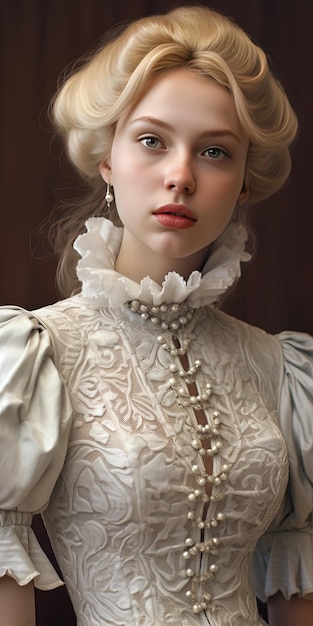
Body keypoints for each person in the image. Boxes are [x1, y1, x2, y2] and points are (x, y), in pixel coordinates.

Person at [0, 4, 312, 625]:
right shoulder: (37, 353)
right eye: (151, 141)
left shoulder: (282, 367)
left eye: (216, 152)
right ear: (107, 159)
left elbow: (293, 571)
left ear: (244, 181)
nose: (180, 176)